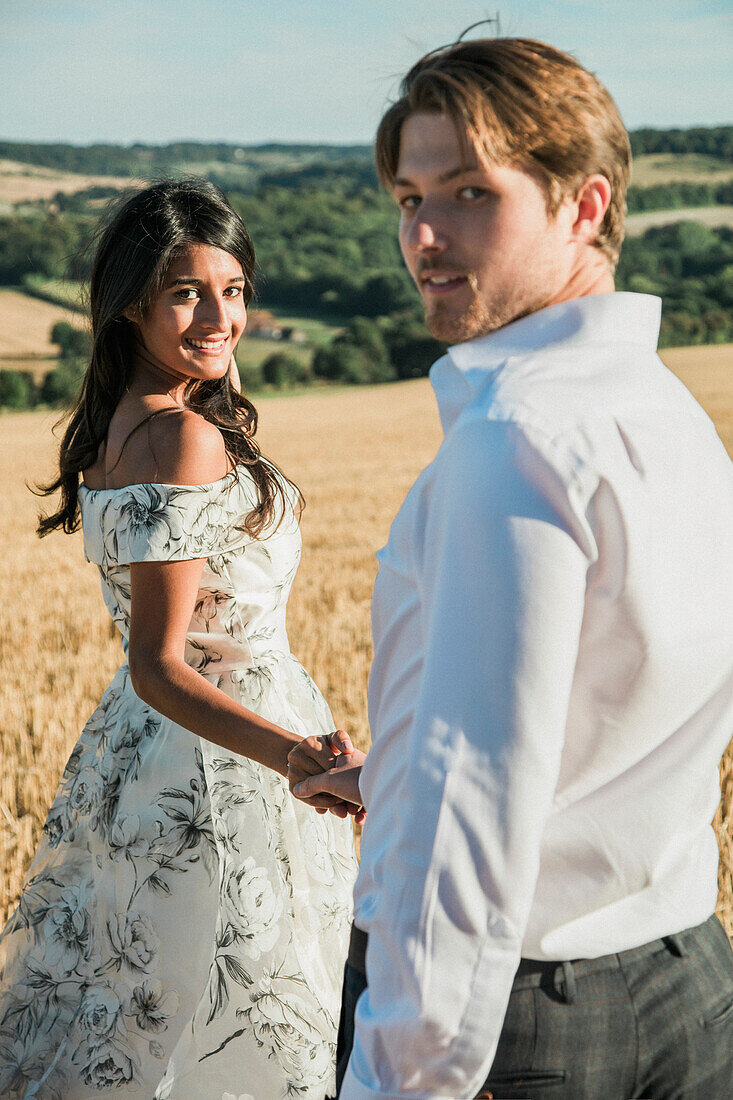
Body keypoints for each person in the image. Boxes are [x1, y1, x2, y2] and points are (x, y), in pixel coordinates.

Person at [288, 36, 733, 1099]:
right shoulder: (669, 413)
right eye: (406, 197)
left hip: (513, 1026)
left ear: (584, 206)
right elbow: (619, 703)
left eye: (470, 194)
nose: (423, 237)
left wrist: (403, 1074)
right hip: (689, 983)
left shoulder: (512, 438)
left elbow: (468, 819)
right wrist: (394, 779)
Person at [0, 179, 359, 1100]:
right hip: (221, 758)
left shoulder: (118, 431)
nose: (218, 313)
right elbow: (161, 666)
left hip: (140, 756)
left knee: (137, 1009)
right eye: (186, 292)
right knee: (234, 1022)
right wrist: (300, 762)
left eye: (234, 288)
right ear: (131, 305)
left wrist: (208, 354)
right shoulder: (183, 441)